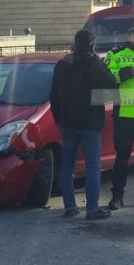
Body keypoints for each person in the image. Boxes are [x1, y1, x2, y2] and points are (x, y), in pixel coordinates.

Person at [50, 29, 115, 220]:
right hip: (90, 123)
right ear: (92, 45)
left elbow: (53, 95)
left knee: (66, 165)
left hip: (68, 123)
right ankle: (92, 209)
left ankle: (69, 207)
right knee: (93, 167)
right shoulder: (94, 64)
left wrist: (58, 119)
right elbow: (112, 86)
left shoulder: (62, 65)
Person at [104, 24, 134, 210]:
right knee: (122, 158)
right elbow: (106, 77)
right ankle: (117, 197)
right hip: (124, 113)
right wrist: (127, 73)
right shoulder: (115, 54)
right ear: (129, 35)